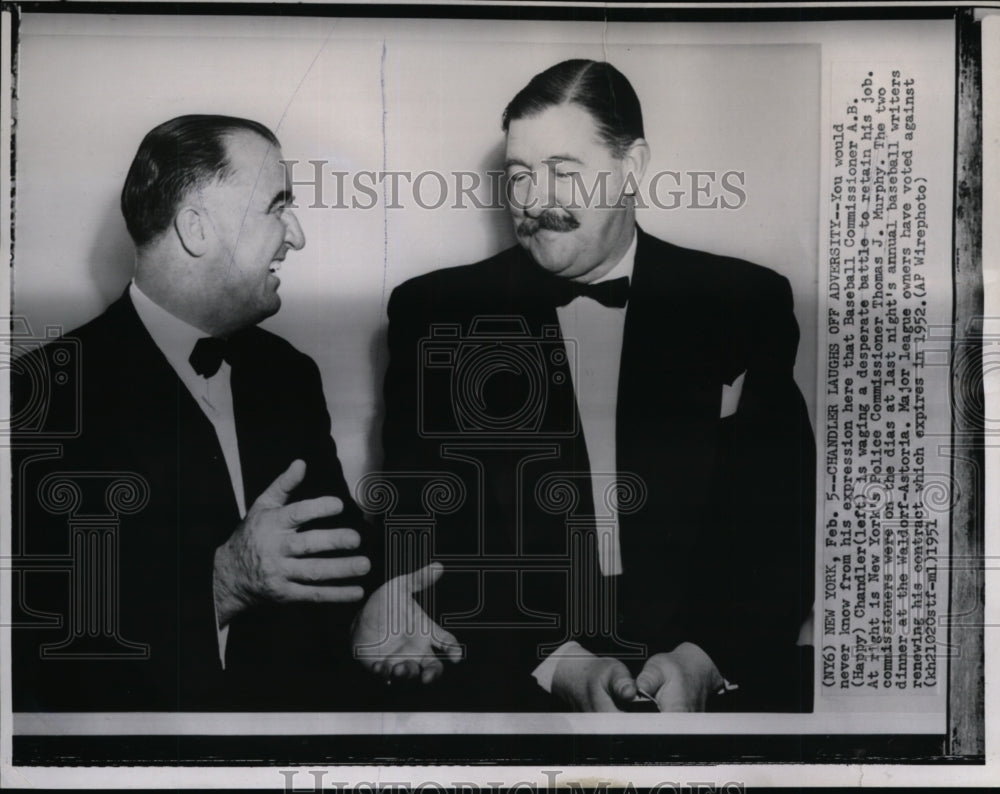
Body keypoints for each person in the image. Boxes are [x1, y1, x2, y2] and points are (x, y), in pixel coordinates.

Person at [380, 60, 815, 712]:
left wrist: (706, 659)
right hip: (515, 670)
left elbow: (781, 521)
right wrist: (558, 665)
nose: (533, 200)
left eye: (563, 170)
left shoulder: (743, 302)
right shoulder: (436, 313)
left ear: (632, 166)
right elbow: (424, 531)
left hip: (713, 662)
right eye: (520, 175)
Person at [11, 115, 451, 710]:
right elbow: (33, 639)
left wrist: (366, 613)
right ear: (197, 227)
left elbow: (333, 547)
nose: (295, 235)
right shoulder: (36, 396)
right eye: (276, 206)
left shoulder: (289, 374)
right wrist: (220, 585)